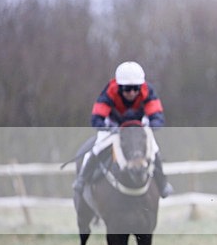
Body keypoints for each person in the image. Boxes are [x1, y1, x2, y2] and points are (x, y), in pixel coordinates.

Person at [73, 61, 173, 198]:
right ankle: (82, 179)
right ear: (119, 87)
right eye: (127, 89)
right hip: (115, 125)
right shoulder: (109, 91)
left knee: (154, 149)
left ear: (141, 86)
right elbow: (97, 117)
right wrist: (107, 127)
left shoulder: (148, 91)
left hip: (138, 126)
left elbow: (157, 115)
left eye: (135, 88)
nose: (132, 93)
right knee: (97, 147)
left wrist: (153, 125)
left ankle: (163, 185)